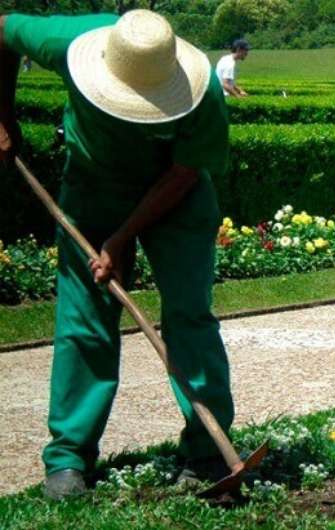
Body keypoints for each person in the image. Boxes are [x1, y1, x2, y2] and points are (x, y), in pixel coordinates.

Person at [0, 10, 235, 500]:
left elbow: (186, 172)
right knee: (84, 323)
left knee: (190, 317)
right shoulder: (66, 41)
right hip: (92, 189)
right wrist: (2, 112)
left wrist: (121, 238)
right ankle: (67, 458)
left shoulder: (203, 93)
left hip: (176, 195)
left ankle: (209, 451)